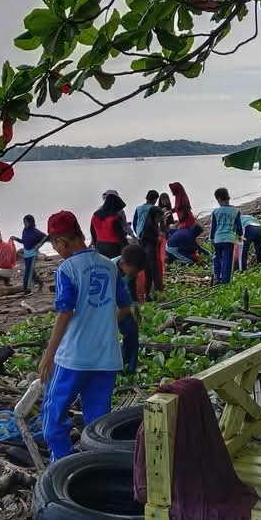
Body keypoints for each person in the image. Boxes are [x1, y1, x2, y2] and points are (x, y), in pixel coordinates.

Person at [39, 211, 133, 462]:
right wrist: (103, 324)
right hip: (106, 356)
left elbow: (64, 312)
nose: (57, 251)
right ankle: (96, 465)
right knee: (98, 422)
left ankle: (61, 463)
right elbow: (125, 306)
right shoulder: (109, 265)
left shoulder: (67, 269)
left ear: (61, 242)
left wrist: (49, 355)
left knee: (53, 413)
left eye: (54, 245)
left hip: (74, 357)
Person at [114, 245, 147, 374]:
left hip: (124, 305)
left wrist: (136, 310)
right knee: (109, 337)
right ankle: (114, 368)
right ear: (122, 264)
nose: (134, 275)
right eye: (133, 272)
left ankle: (129, 364)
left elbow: (132, 289)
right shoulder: (109, 270)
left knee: (132, 330)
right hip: (108, 306)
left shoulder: (130, 270)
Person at [133, 190, 163, 298]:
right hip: (150, 239)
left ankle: (147, 291)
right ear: (155, 199)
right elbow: (156, 223)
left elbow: (135, 222)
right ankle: (157, 290)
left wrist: (138, 234)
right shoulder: (153, 209)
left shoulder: (138, 208)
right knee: (154, 265)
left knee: (146, 265)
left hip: (141, 238)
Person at [210, 188, 243, 285]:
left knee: (217, 258)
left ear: (219, 199)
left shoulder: (215, 212)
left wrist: (212, 238)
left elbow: (213, 227)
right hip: (229, 239)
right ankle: (225, 281)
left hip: (218, 239)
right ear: (228, 197)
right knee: (227, 260)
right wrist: (240, 236)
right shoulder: (235, 211)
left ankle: (217, 277)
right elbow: (239, 227)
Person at [10, 215, 46, 293]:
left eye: (26, 222)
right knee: (31, 272)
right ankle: (40, 283)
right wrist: (16, 238)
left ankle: (26, 289)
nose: (25, 224)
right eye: (24, 222)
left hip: (32, 254)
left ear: (31, 222)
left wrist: (39, 245)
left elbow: (45, 237)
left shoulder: (35, 231)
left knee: (27, 272)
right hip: (26, 254)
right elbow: (24, 241)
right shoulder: (25, 230)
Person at [90, 192, 129, 259]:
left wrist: (95, 244)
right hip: (114, 247)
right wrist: (128, 249)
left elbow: (93, 232)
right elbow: (121, 238)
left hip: (100, 245)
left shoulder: (95, 215)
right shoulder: (114, 218)